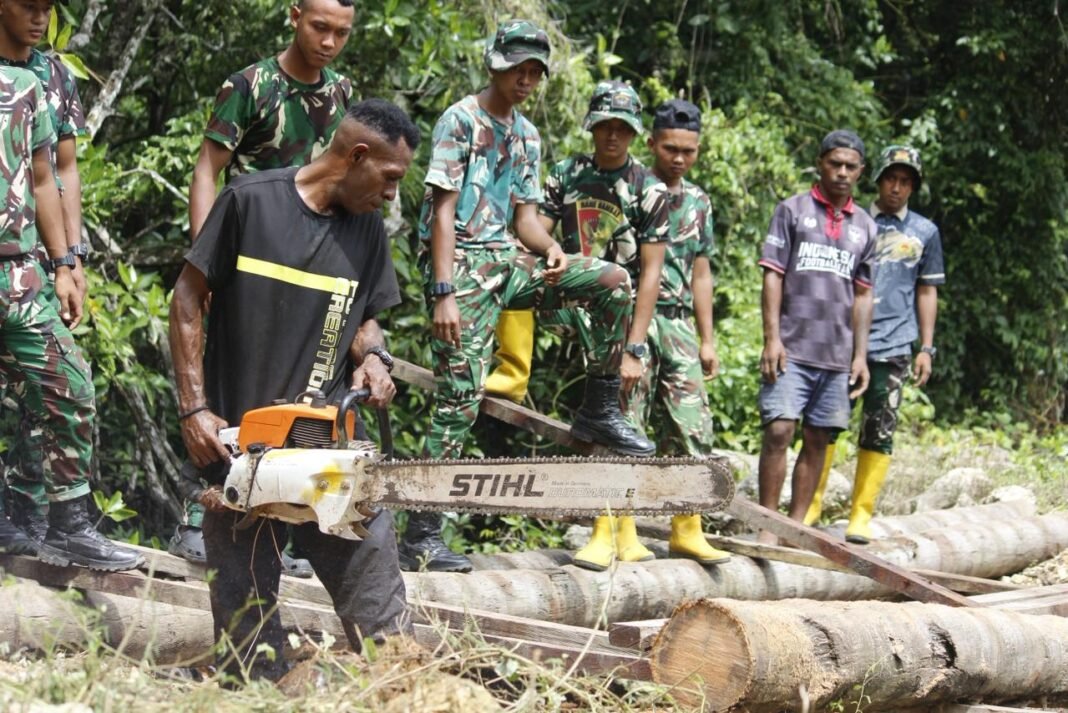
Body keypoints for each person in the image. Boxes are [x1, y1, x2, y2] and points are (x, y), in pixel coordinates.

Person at [168, 99, 416, 682]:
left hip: (325, 446)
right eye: (389, 178)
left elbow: (364, 318)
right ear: (357, 156)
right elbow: (186, 299)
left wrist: (374, 359)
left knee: (388, 633)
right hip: (240, 446)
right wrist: (194, 409)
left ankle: (401, 685)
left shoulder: (367, 230)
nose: (390, 195)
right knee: (249, 654)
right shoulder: (249, 201)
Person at [406, 21, 648, 572]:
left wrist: (552, 248)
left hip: (510, 263)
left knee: (613, 281)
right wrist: (443, 292)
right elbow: (442, 211)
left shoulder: (528, 135)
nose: (526, 80)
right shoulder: (460, 119)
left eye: (535, 72)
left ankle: (598, 408)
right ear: (496, 64)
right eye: (519, 68)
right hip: (462, 269)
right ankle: (421, 532)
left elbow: (525, 220)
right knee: (460, 397)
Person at [173, 0, 355, 571]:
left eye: (341, 33)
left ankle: (275, 532)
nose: (328, 42)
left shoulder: (341, 93)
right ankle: (195, 520)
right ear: (295, 16)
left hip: (306, 268)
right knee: (224, 390)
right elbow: (208, 169)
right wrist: (206, 257)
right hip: (244, 252)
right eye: (319, 27)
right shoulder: (251, 85)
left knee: (293, 400)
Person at [0, 62, 142, 569]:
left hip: (17, 273)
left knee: (70, 384)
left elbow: (45, 180)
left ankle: (69, 525)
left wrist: (64, 264)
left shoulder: (25, 87)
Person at [521, 80, 668, 571]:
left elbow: (651, 273)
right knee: (600, 415)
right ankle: (609, 526)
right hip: (571, 302)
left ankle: (613, 529)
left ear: (634, 133)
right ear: (592, 126)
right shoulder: (568, 173)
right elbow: (535, 230)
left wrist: (635, 347)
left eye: (622, 127)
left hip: (621, 315)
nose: (612, 135)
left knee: (621, 413)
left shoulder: (649, 189)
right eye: (604, 125)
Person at [609, 98, 731, 567]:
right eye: (670, 148)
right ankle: (621, 528)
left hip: (678, 321)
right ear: (652, 144)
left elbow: (701, 272)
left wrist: (707, 338)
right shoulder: (630, 188)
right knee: (627, 420)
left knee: (691, 422)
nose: (679, 158)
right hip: (632, 317)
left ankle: (688, 526)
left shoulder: (699, 201)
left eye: (689, 151)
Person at [805, 145, 944, 543]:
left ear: (913, 187)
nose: (897, 188)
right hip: (844, 341)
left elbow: (927, 291)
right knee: (825, 424)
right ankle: (810, 504)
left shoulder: (925, 232)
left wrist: (926, 347)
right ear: (878, 180)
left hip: (895, 343)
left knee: (880, 428)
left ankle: (861, 515)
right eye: (891, 179)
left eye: (905, 182)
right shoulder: (855, 221)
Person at [755, 130, 876, 545]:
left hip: (836, 354)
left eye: (850, 166)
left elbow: (863, 294)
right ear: (821, 163)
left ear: (860, 171)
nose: (842, 172)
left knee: (818, 437)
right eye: (834, 163)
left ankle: (796, 528)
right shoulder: (792, 210)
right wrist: (772, 338)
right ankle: (768, 526)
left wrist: (860, 356)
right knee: (779, 430)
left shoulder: (866, 226)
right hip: (791, 348)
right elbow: (773, 275)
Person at [0, 0, 90, 545]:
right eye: (28, 6)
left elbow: (59, 172)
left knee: (49, 389)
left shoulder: (50, 77)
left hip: (31, 257)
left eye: (46, 8)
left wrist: (68, 259)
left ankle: (40, 517)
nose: (39, 19)